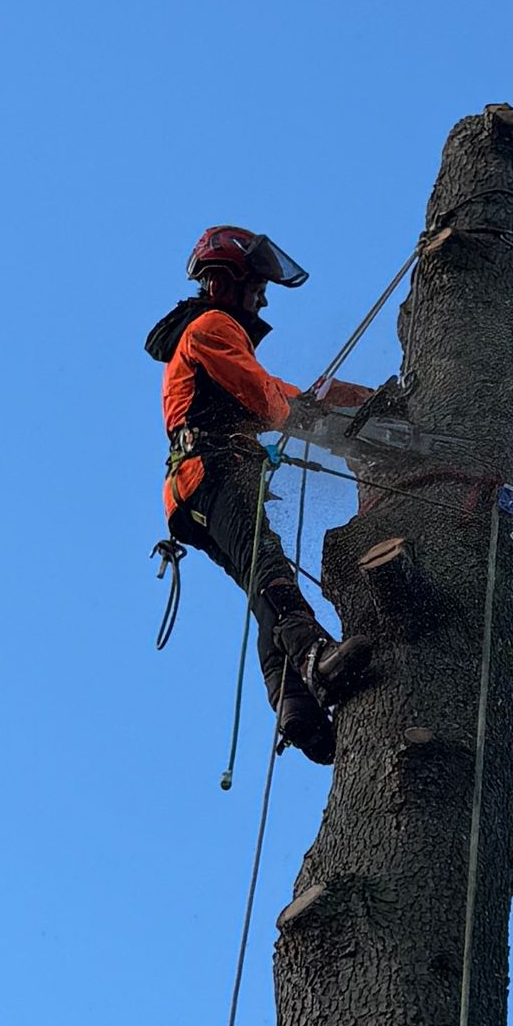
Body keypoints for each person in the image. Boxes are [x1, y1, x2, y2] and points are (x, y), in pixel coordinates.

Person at [146, 226, 375, 764]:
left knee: (261, 582)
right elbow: (269, 402)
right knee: (267, 567)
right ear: (229, 283)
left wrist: (352, 403)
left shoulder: (211, 332)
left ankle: (294, 706)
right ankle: (314, 654)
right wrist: (313, 417)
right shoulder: (211, 325)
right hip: (212, 471)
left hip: (192, 488)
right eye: (258, 286)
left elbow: (280, 392)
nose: (264, 298)